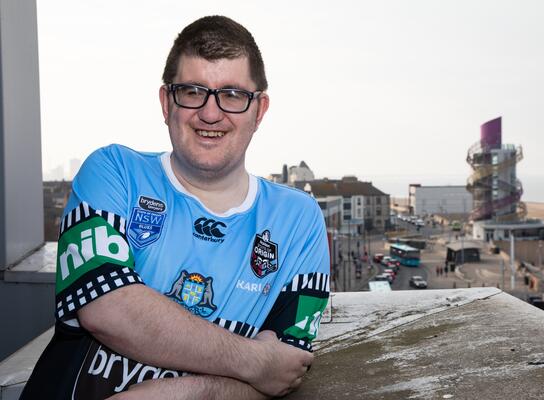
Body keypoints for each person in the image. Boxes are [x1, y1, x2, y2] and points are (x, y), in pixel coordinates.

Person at [21, 16, 330, 400]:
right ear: (167, 103)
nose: (211, 113)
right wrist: (252, 362)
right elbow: (107, 310)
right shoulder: (114, 171)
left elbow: (285, 368)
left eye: (232, 94)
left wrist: (190, 393)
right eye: (192, 91)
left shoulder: (298, 219)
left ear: (259, 110)